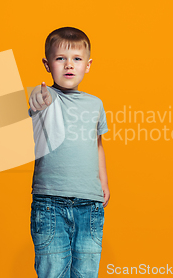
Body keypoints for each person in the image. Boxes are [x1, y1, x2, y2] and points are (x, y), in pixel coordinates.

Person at [27, 27, 110, 278]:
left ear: (88, 65)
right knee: (52, 271)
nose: (68, 65)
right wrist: (37, 97)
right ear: (47, 64)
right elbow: (36, 100)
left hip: (90, 203)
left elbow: (97, 144)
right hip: (50, 202)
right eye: (60, 58)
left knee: (86, 271)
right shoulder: (46, 96)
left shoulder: (95, 104)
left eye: (76, 59)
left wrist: (103, 182)